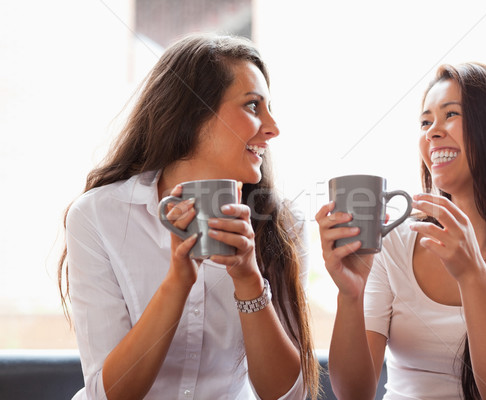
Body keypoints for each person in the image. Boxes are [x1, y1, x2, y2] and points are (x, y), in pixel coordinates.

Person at [58, 33, 319, 400]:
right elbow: (108, 395)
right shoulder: (97, 216)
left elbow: (289, 395)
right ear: (192, 115)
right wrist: (177, 283)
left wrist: (248, 279)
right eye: (252, 106)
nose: (273, 127)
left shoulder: (283, 223)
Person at [316, 62, 486, 399]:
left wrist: (472, 275)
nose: (432, 131)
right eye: (425, 121)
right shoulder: (395, 244)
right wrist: (350, 296)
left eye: (450, 114)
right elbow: (354, 393)